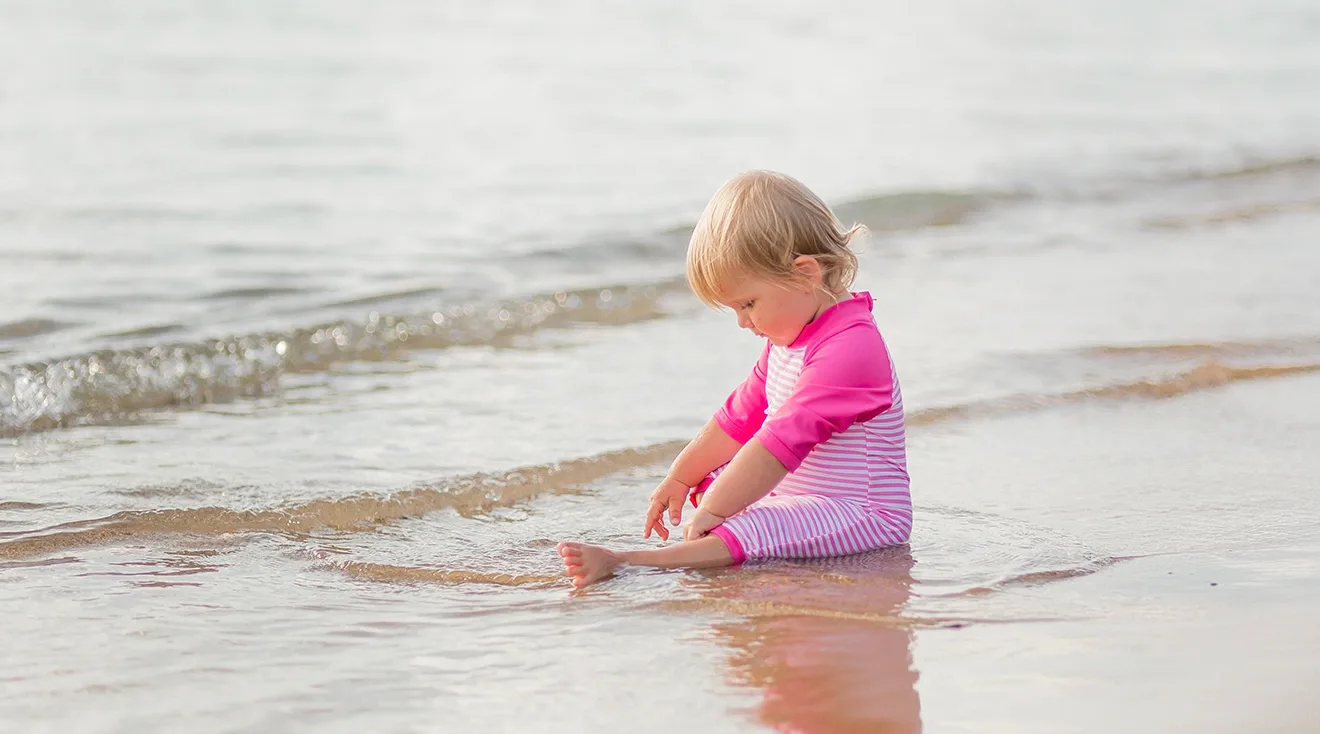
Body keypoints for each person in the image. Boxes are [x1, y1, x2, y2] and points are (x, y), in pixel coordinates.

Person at [558, 170, 911, 587]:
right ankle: (709, 538)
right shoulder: (788, 340)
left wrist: (718, 510)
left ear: (806, 274)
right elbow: (737, 419)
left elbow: (778, 444)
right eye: (735, 310)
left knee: (752, 525)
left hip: (864, 513)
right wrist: (681, 477)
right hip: (804, 497)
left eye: (748, 303)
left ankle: (633, 563)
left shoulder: (851, 349)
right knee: (720, 485)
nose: (743, 322)